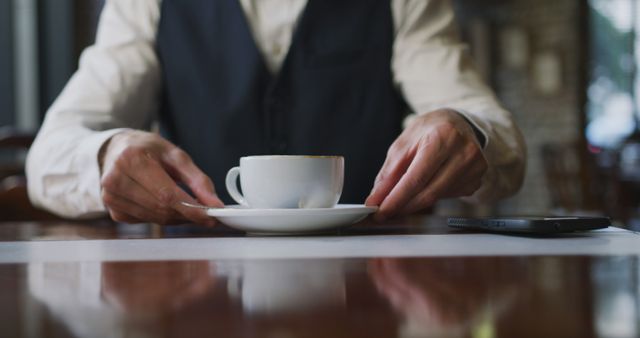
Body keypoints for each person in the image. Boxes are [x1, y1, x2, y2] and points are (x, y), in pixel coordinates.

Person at [26, 0, 526, 225]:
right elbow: (48, 153)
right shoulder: (145, 5)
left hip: (376, 292)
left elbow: (492, 127)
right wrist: (106, 152)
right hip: (193, 297)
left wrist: (466, 131)